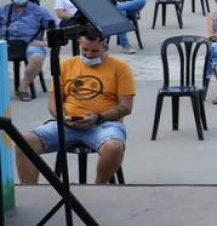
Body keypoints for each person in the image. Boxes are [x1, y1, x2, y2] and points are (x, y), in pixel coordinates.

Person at [13, 30, 134, 185]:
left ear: (105, 47)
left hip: (103, 124)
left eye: (95, 51)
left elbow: (125, 107)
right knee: (25, 142)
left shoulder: (120, 68)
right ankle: (30, 190)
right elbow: (53, 101)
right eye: (85, 50)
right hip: (67, 123)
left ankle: (99, 187)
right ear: (79, 45)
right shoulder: (66, 65)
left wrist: (98, 117)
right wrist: (63, 118)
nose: (89, 55)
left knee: (114, 147)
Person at [1, 0, 56, 101]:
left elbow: (53, 29)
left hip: (29, 43)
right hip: (6, 43)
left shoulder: (39, 10)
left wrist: (44, 42)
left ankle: (23, 88)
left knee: (37, 57)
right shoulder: (3, 10)